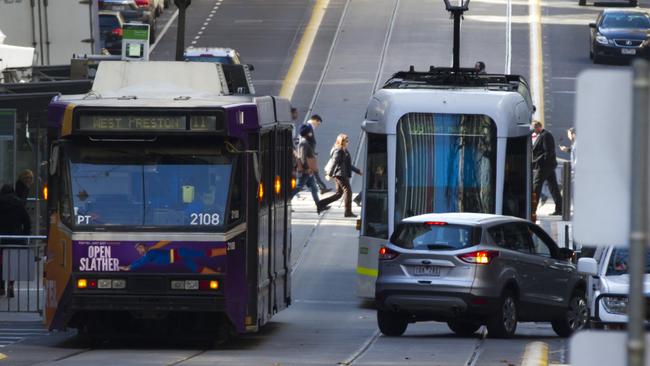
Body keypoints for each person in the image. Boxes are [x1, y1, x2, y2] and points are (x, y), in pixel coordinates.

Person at [318, 134, 363, 218]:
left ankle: (320, 204)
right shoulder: (338, 150)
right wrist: (329, 174)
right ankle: (348, 212)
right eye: (346, 141)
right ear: (341, 141)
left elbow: (348, 164)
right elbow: (334, 162)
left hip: (342, 174)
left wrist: (358, 171)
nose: (348, 142)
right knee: (348, 192)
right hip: (340, 174)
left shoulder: (344, 150)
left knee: (339, 194)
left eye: (348, 141)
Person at [0, 185, 31, 297]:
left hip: (1, 238)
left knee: (1, 263)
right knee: (12, 263)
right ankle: (11, 285)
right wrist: (25, 235)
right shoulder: (19, 204)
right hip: (16, 237)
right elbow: (27, 221)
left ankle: (1, 286)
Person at [292, 124, 329, 214]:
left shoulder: (305, 142)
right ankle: (285, 201)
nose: (311, 133)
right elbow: (303, 157)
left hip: (308, 171)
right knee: (298, 188)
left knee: (314, 188)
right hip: (305, 171)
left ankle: (319, 206)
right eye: (310, 131)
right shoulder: (304, 143)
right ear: (307, 133)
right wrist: (307, 168)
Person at [119, 243, 225, 273]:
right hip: (180, 257)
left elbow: (141, 262)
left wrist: (130, 267)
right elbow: (140, 260)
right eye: (138, 250)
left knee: (204, 253)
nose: (140, 250)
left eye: (141, 247)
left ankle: (226, 250)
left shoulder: (150, 253)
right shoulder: (151, 251)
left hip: (180, 253)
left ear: (145, 246)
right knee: (195, 268)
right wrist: (130, 266)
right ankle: (216, 275)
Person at [532, 121, 562, 216]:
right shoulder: (543, 135)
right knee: (553, 187)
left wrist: (538, 162)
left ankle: (532, 210)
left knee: (536, 186)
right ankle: (559, 209)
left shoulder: (545, 135)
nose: (533, 131)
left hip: (544, 166)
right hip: (548, 166)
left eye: (534, 128)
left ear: (539, 127)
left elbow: (548, 152)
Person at [304, 114, 332, 194]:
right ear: (315, 120)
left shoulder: (309, 127)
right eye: (318, 123)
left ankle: (321, 187)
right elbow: (304, 142)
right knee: (313, 171)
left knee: (311, 173)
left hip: (309, 154)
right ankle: (321, 187)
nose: (318, 125)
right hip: (308, 155)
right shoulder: (307, 127)